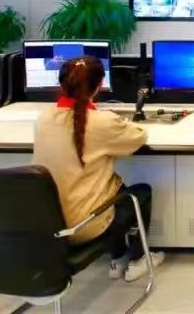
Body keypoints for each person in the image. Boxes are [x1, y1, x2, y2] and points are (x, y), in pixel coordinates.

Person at [33, 56, 165, 282]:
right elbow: (138, 137)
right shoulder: (102, 122)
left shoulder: (43, 119)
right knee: (139, 192)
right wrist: (117, 121)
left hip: (48, 224)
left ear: (62, 84)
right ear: (100, 85)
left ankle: (118, 257)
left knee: (112, 188)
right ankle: (138, 258)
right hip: (84, 227)